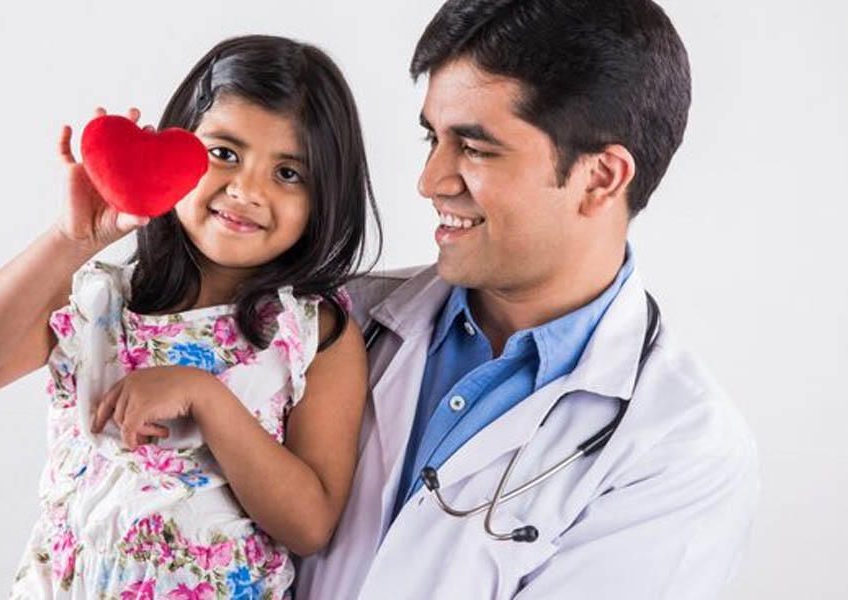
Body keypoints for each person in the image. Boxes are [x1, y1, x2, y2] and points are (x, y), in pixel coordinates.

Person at [295, 1, 759, 598]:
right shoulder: (329, 322)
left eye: (475, 148)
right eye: (432, 137)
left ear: (600, 178)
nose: (429, 181)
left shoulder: (678, 450)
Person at [0, 35, 378, 599]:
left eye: (288, 173)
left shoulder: (310, 332)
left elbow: (310, 524)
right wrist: (70, 241)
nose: (245, 190)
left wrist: (205, 397)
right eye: (225, 154)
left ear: (326, 194)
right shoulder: (103, 304)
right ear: (177, 147)